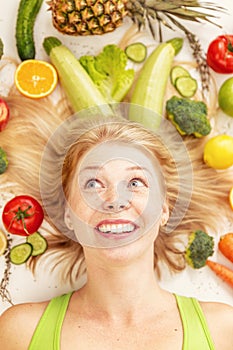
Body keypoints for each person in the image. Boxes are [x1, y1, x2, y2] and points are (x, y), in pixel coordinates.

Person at [0, 93, 233, 349]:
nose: (114, 200)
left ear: (164, 210)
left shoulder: (222, 329)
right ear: (68, 214)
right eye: (92, 184)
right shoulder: (20, 332)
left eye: (135, 183)